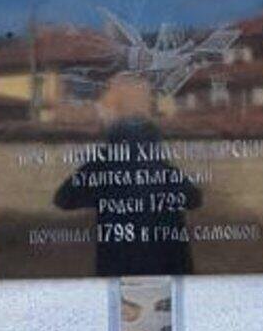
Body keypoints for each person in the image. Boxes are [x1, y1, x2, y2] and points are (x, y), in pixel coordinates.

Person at [54, 73, 202, 277]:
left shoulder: (103, 164)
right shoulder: (158, 163)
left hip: (120, 267)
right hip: (166, 267)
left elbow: (63, 199)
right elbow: (194, 199)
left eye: (106, 107)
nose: (101, 113)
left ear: (117, 114)